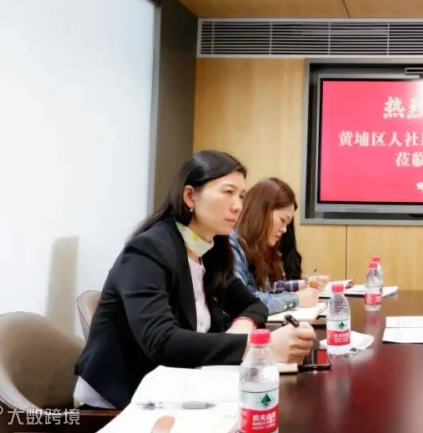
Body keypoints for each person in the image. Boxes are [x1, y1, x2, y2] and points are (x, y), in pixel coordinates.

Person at [73, 151, 317, 410]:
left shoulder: (211, 251)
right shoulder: (148, 250)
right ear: (190, 196)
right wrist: (258, 346)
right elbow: (162, 342)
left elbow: (253, 305)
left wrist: (243, 325)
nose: (238, 206)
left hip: (183, 382)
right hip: (123, 399)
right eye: (228, 192)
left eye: (241, 196)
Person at [231, 177, 329, 314]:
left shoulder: (255, 246)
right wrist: (296, 299)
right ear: (261, 212)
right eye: (282, 220)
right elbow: (245, 301)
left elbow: (268, 289)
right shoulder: (231, 245)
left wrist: (304, 284)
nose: (284, 230)